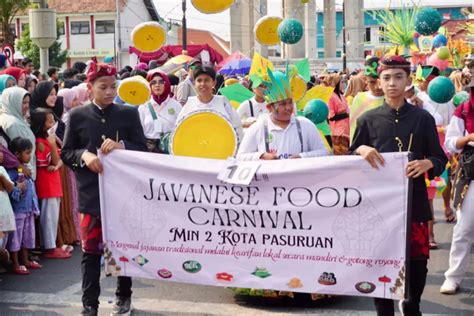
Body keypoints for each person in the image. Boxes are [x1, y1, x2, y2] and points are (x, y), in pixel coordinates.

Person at [350, 55, 447, 316]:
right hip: (378, 210)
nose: (392, 83)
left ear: (407, 81)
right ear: (378, 82)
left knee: (416, 268)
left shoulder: (422, 119)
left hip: (414, 205)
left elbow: (440, 158)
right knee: (380, 269)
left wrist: (428, 164)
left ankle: (412, 306)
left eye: (398, 77)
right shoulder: (367, 120)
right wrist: (360, 148)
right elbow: (349, 159)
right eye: (386, 77)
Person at [61, 62, 147, 315]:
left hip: (123, 195)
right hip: (91, 195)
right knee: (89, 252)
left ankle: (123, 297)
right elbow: (66, 152)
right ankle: (90, 304)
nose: (110, 92)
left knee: (123, 249)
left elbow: (143, 149)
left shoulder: (128, 114)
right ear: (90, 88)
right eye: (103, 87)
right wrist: (84, 156)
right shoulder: (76, 116)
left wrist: (123, 147)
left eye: (113, 87)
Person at [237, 69, 329, 161]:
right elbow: (240, 157)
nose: (288, 107)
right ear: (270, 107)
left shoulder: (306, 125)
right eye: (283, 104)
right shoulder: (258, 128)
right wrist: (261, 156)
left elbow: (324, 152)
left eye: (290, 103)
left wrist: (302, 157)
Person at [439, 80, 474, 295]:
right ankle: (453, 277)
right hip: (471, 173)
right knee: (464, 227)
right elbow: (450, 143)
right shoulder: (463, 111)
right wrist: (468, 138)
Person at [30, 108, 70, 260]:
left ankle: (52, 245)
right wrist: (53, 146)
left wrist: (57, 163)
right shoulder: (41, 141)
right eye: (49, 121)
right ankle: (50, 248)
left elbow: (60, 161)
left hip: (53, 183)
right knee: (48, 218)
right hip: (46, 184)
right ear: (41, 124)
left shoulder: (46, 139)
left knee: (53, 217)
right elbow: (53, 160)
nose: (52, 123)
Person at [177, 65, 242, 140]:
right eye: (199, 80)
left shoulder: (223, 103)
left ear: (214, 82)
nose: (202, 84)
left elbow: (237, 128)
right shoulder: (189, 105)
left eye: (206, 80)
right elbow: (179, 130)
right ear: (194, 83)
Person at [6, 137, 41, 275]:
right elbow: (12, 192)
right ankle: (15, 262)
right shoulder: (13, 172)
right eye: (27, 152)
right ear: (16, 154)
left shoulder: (27, 170)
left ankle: (25, 260)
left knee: (27, 236)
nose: (29, 155)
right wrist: (19, 189)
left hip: (28, 209)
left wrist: (34, 207)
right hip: (18, 210)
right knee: (16, 237)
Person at [138, 70, 181, 153]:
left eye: (161, 82)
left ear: (167, 84)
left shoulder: (176, 105)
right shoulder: (143, 107)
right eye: (153, 82)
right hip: (150, 151)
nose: (157, 85)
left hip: (169, 148)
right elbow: (139, 132)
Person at [0, 87, 37, 179]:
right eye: (24, 102)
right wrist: (30, 175)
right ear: (13, 102)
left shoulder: (9, 117)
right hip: (24, 175)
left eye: (28, 102)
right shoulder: (14, 124)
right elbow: (22, 152)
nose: (27, 106)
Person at [349, 57, 385, 143]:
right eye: (372, 82)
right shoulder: (359, 99)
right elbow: (354, 127)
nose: (377, 87)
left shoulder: (392, 99)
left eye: (380, 82)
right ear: (365, 80)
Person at [323, 73, 350, 155]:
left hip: (346, 130)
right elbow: (331, 116)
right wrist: (346, 115)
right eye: (341, 82)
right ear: (336, 84)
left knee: (346, 154)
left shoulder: (342, 96)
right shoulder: (330, 96)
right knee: (340, 156)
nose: (343, 84)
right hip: (337, 132)